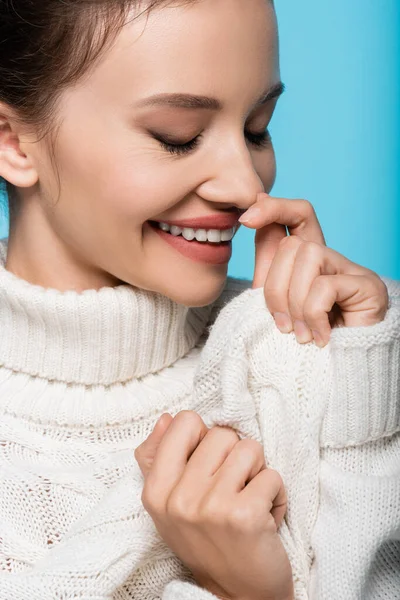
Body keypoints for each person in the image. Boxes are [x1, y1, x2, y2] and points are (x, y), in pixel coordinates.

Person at [0, 0, 398, 599]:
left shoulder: (350, 347)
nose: (245, 186)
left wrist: (347, 381)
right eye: (178, 138)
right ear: (14, 144)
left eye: (258, 128)